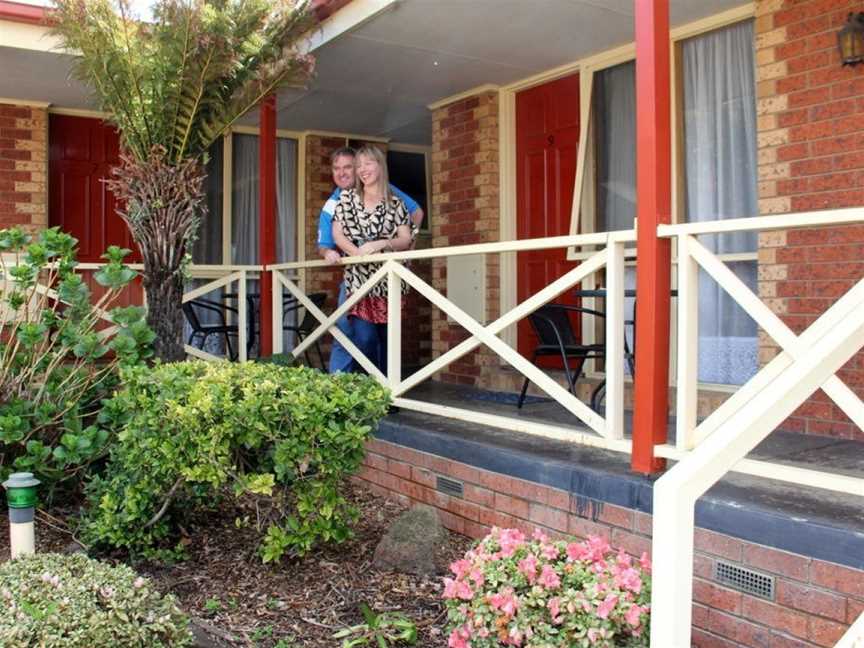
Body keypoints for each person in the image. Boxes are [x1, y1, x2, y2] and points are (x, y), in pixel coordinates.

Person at [317, 146, 423, 372]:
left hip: (388, 280)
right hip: (357, 279)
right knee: (354, 335)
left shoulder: (393, 197)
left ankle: (383, 391)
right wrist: (352, 255)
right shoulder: (338, 200)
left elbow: (414, 218)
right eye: (338, 168)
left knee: (385, 340)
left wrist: (404, 253)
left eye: (349, 167)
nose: (344, 172)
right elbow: (331, 238)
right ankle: (351, 386)